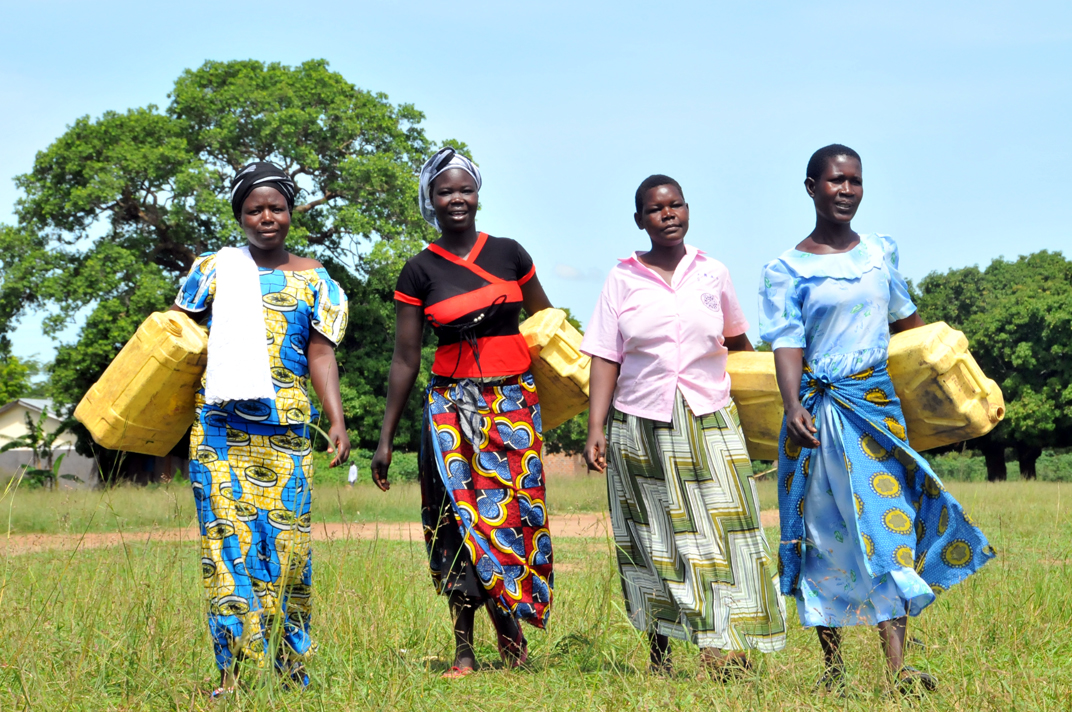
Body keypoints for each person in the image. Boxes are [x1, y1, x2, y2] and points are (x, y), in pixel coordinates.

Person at [760, 145, 995, 695]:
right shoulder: (786, 269)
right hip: (818, 416)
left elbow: (908, 326)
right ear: (811, 187)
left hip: (876, 410)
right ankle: (833, 670)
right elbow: (787, 343)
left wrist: (949, 383)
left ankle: (897, 671)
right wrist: (793, 406)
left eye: (855, 181)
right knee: (824, 536)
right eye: (835, 181)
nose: (846, 190)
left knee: (890, 529)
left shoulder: (879, 254)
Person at [581, 175, 787, 678]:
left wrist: (767, 416)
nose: (667, 214)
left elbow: (740, 347)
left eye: (675, 206)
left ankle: (728, 651)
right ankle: (659, 656)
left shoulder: (712, 272)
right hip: (639, 424)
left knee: (728, 531)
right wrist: (595, 427)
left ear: (688, 210)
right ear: (640, 220)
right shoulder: (621, 278)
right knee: (654, 538)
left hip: (710, 417)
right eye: (656, 209)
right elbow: (606, 358)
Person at [370, 147, 555, 678]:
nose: (457, 199)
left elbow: (547, 325)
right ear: (431, 199)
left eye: (465, 189)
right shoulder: (420, 269)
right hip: (451, 410)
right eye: (445, 191)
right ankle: (464, 649)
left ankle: (511, 628)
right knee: (456, 524)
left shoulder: (510, 254)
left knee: (515, 520)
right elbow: (406, 358)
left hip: (514, 408)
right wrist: (385, 440)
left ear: (478, 194)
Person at [171, 161, 350, 696]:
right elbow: (177, 341)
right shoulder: (212, 270)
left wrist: (336, 419)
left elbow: (321, 355)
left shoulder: (317, 279)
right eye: (254, 209)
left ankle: (292, 670)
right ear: (239, 215)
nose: (266, 217)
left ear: (291, 213)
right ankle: (232, 675)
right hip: (220, 433)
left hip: (288, 430)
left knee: (288, 553)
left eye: (276, 207)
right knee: (226, 551)